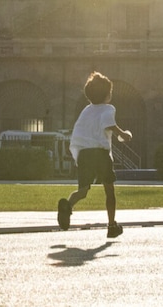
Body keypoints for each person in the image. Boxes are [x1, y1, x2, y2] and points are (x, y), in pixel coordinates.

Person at [58, 72, 132, 238]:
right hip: (100, 153)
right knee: (109, 190)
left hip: (84, 153)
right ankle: (111, 225)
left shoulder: (86, 111)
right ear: (107, 94)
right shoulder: (108, 108)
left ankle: (68, 206)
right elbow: (109, 123)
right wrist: (123, 134)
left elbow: (80, 130)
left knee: (83, 190)